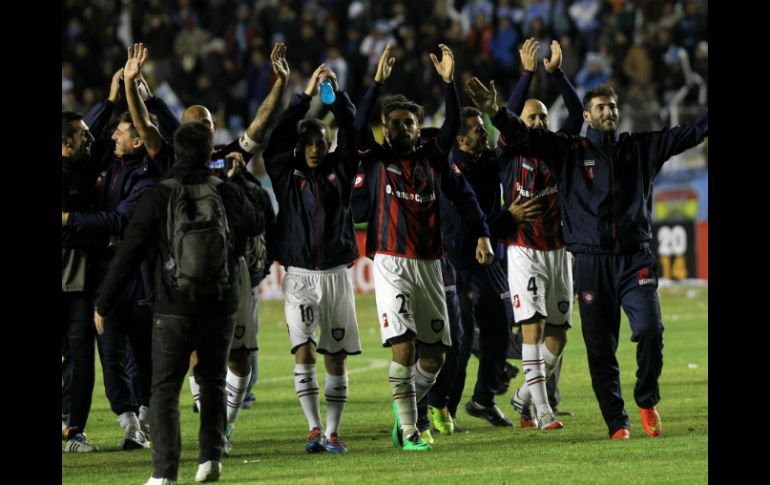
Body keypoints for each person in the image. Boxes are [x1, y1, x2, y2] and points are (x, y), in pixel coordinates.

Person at [464, 77, 708, 440]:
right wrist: (495, 111)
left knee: (650, 330)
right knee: (599, 347)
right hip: (589, 262)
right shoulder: (568, 151)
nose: (608, 111)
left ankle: (646, 398)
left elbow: (687, 132)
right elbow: (524, 134)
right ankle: (617, 422)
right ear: (588, 117)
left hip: (633, 257)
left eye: (612, 106)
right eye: (600, 108)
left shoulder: (639, 147)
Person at [95, 120, 261, 485]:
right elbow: (256, 222)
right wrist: (239, 180)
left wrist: (103, 302)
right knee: (214, 380)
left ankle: (164, 472)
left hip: (172, 305)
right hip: (219, 303)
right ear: (207, 151)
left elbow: (130, 250)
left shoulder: (160, 193)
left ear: (176, 151)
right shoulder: (224, 190)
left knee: (165, 389)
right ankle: (211, 459)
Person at [355, 43, 493, 451]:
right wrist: (377, 81)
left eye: (410, 123)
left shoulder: (434, 160)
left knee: (434, 356)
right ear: (385, 127)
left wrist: (449, 83)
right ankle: (410, 429)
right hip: (391, 262)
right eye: (395, 123)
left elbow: (451, 125)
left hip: (431, 264)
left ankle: (407, 414)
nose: (403, 129)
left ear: (419, 127)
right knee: (405, 346)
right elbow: (358, 124)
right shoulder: (376, 159)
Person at [63, 45, 175, 449]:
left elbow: (120, 220)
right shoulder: (107, 164)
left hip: (139, 272)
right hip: (103, 270)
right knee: (109, 352)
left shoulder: (149, 175)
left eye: (121, 131)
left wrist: (70, 221)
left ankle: (144, 417)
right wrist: (111, 102)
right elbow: (75, 142)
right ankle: (128, 421)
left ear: (138, 140)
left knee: (142, 354)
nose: (112, 135)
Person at [182, 43, 288, 456]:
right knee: (197, 352)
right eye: (196, 124)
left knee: (240, 360)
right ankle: (210, 427)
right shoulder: (177, 166)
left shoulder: (229, 157)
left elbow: (260, 126)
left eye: (207, 123)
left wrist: (280, 85)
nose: (204, 129)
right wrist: (137, 92)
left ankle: (220, 427)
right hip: (196, 268)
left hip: (237, 269)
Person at [262, 62, 361, 454]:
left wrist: (333, 95)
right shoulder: (286, 174)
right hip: (300, 275)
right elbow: (275, 140)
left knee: (335, 357)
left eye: (321, 142)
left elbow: (352, 131)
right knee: (304, 350)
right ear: (300, 147)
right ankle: (314, 429)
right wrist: (304, 97)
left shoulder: (342, 166)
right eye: (309, 144)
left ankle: (334, 432)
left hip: (336, 275)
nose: (316, 149)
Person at [501, 38, 584, 429]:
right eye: (531, 117)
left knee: (559, 337)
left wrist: (557, 75)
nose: (536, 122)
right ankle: (543, 410)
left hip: (558, 250)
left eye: (542, 118)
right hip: (524, 250)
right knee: (531, 329)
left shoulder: (559, 149)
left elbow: (579, 113)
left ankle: (521, 397)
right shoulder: (509, 152)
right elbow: (506, 116)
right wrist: (527, 74)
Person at [61, 111, 100, 452]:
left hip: (80, 280)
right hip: (70, 273)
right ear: (65, 142)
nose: (90, 139)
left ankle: (74, 431)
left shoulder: (85, 171)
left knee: (83, 356)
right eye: (82, 135)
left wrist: (113, 98)